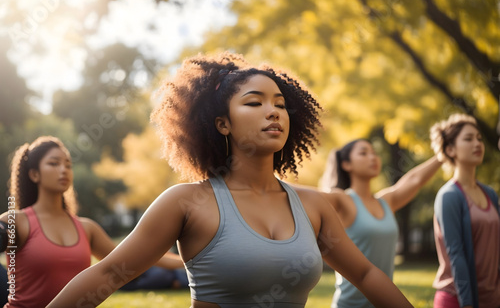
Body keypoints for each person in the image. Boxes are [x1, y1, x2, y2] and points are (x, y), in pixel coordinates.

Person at [47, 52, 413, 308]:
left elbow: (365, 274)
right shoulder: (185, 203)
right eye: (254, 103)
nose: (273, 112)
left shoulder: (314, 205)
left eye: (280, 104)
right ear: (222, 124)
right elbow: (110, 273)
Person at [0, 136, 184, 308]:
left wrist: (185, 260)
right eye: (53, 163)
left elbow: (136, 256)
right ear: (34, 175)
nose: (63, 169)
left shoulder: (87, 228)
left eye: (68, 165)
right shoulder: (16, 221)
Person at [317, 139, 442, 308]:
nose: (373, 157)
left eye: (374, 153)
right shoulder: (342, 200)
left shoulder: (386, 201)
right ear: (346, 164)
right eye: (363, 153)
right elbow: (307, 197)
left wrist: (442, 154)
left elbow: (415, 180)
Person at [430, 114, 500, 308]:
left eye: (479, 138)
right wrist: (468, 303)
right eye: (468, 139)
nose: (477, 143)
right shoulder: (449, 196)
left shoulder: (490, 194)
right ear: (450, 149)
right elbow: (456, 255)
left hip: (492, 299)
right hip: (458, 300)